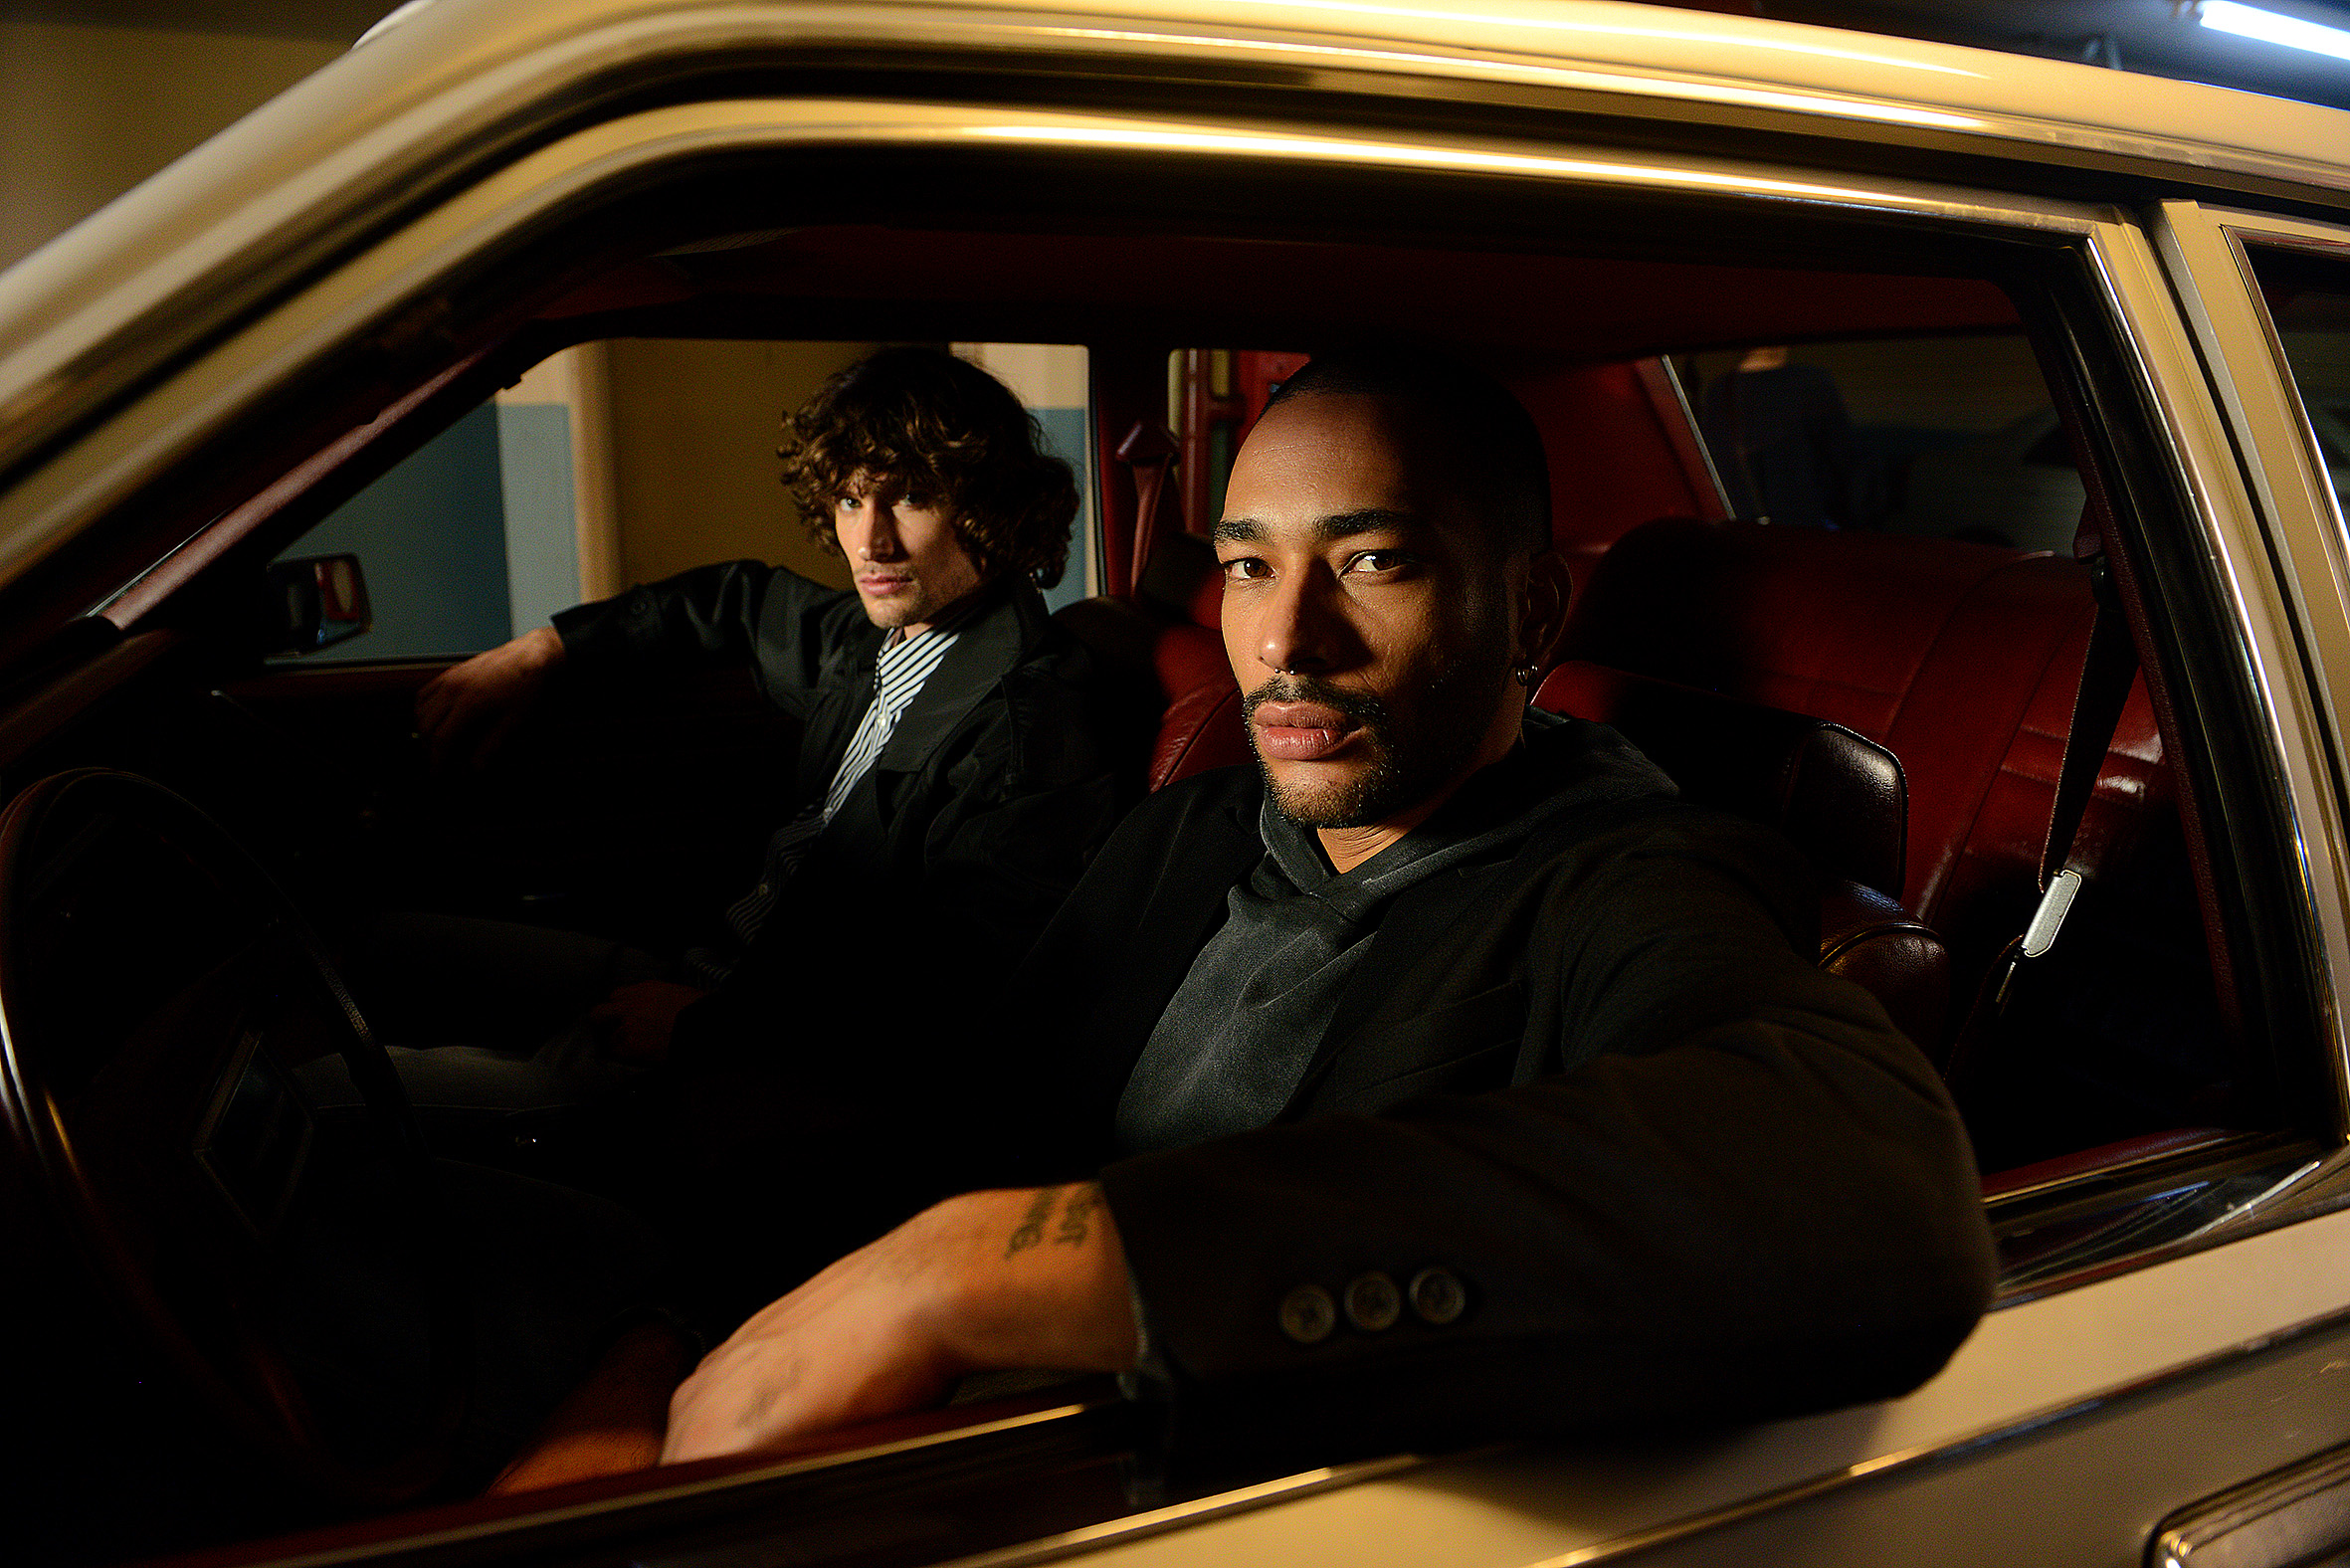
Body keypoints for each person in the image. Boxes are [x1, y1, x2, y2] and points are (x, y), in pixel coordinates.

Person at [658, 350, 1995, 1467]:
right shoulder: (1189, 828)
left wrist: (975, 1270)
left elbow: (1865, 1200)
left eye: (1372, 562)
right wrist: (688, 1316)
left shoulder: (1632, 872)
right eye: (1249, 568)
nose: (1286, 639)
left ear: (1528, 609)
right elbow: (975, 1124)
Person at [386, 345, 1130, 1107]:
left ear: (991, 507)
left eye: (911, 497)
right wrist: (545, 649)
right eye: (850, 500)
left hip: (755, 1048)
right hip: (711, 972)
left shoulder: (1027, 732)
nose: (871, 542)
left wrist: (707, 1027)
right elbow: (739, 600)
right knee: (377, 949)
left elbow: (952, 998)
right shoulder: (880, 640)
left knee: (337, 1100)